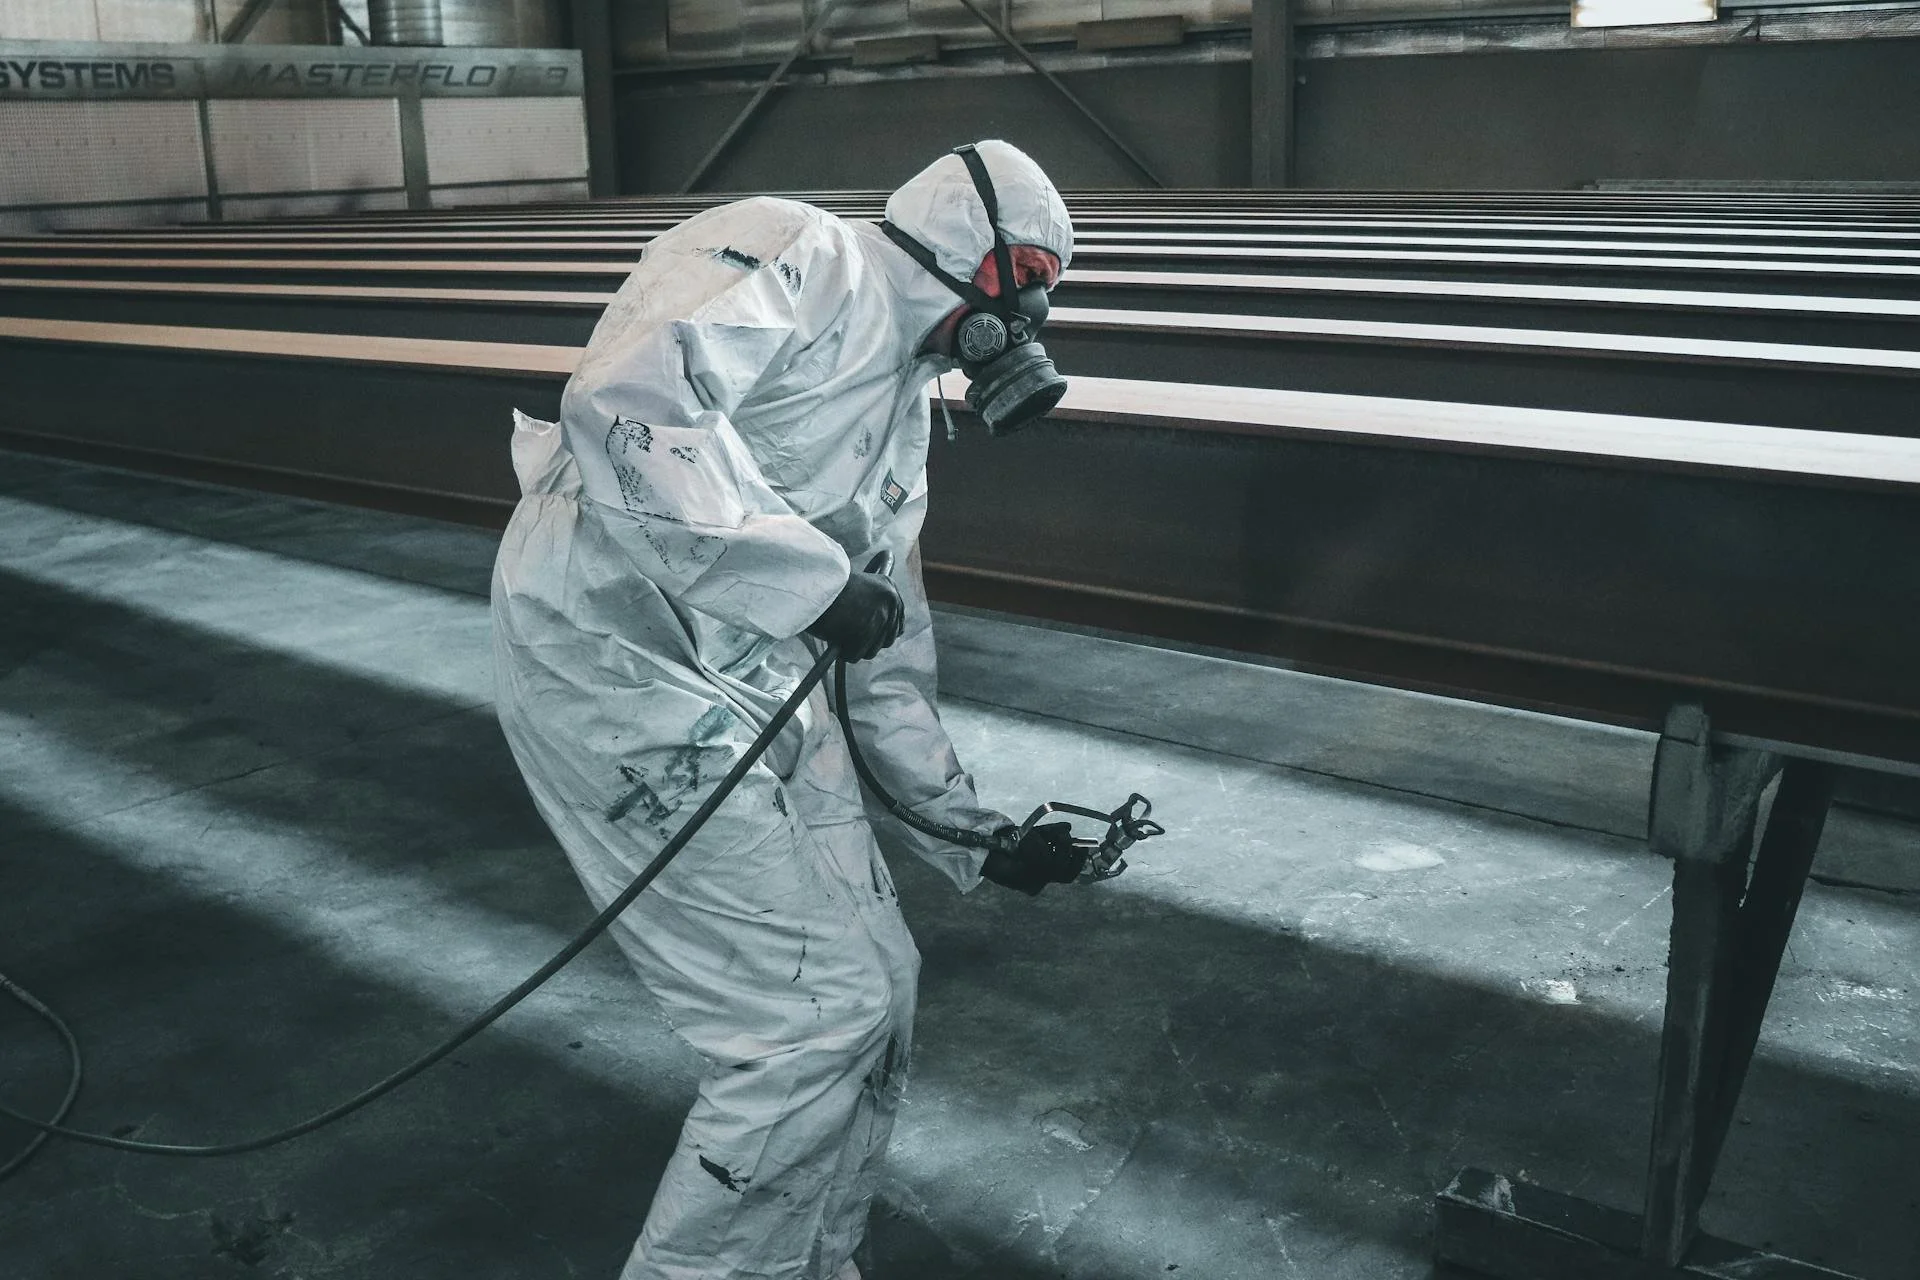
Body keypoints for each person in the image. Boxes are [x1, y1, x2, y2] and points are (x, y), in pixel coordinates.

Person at [490, 140, 1085, 1280]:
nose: (1026, 326)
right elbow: (624, 405)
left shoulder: (902, 425)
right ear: (973, 264)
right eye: (1026, 289)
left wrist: (973, 836)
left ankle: (808, 1262)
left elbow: (887, 660)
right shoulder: (800, 250)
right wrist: (810, 584)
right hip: (614, 659)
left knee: (877, 989)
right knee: (802, 1025)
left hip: (746, 672)